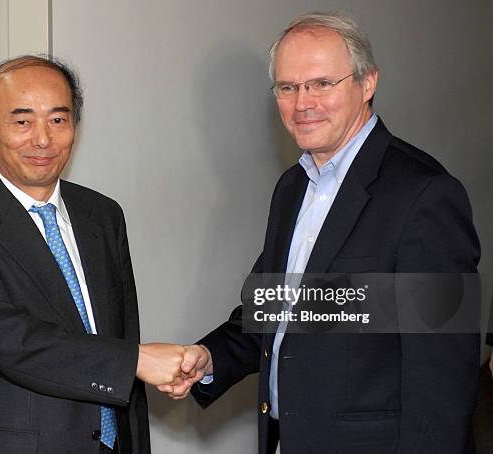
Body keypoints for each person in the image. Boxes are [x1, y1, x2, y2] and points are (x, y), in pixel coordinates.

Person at [161, 12, 482, 454]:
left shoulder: (425, 195)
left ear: (367, 84)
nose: (302, 103)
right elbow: (280, 309)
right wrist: (209, 359)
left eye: (321, 84)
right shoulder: (292, 188)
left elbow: (442, 382)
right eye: (288, 88)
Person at [0, 55, 191, 454]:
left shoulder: (103, 214)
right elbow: (11, 341)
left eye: (58, 120)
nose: (43, 139)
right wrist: (134, 361)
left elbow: (122, 330)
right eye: (22, 121)